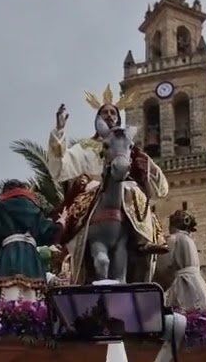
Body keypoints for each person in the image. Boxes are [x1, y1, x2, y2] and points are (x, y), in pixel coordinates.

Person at [48, 90, 170, 284]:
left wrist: (146, 168)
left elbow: (151, 177)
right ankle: (68, 244)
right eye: (105, 113)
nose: (110, 116)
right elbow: (60, 166)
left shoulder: (127, 145)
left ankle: (144, 238)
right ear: (98, 119)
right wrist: (59, 131)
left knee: (132, 191)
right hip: (93, 188)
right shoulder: (85, 147)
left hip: (123, 186)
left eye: (113, 113)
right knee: (77, 209)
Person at [0, 179, 62, 301]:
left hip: (8, 257)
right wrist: (61, 224)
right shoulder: (34, 208)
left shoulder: (0, 207)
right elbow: (48, 232)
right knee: (31, 299)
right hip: (31, 258)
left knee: (8, 298)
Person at [160, 209, 206, 310]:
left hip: (183, 282)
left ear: (172, 226)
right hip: (197, 282)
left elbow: (165, 264)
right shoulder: (190, 240)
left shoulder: (173, 239)